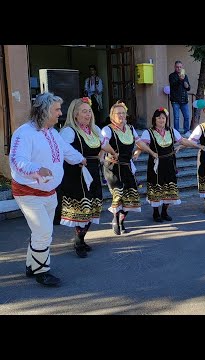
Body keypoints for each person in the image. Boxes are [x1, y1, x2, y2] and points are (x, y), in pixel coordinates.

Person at [9, 92, 87, 287]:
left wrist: (80, 159)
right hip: (28, 192)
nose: (60, 113)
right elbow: (17, 161)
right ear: (44, 111)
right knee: (44, 231)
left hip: (50, 193)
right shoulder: (24, 133)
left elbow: (65, 150)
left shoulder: (52, 132)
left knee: (41, 231)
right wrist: (36, 169)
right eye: (57, 110)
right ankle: (42, 271)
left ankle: (31, 265)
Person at [58, 97, 118, 258]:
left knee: (93, 206)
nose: (88, 114)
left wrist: (112, 153)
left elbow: (103, 145)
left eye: (89, 111)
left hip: (92, 172)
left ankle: (81, 238)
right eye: (84, 111)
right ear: (75, 114)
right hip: (77, 174)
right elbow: (62, 151)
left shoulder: (95, 130)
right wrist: (77, 160)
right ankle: (78, 241)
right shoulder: (69, 131)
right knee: (83, 209)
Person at [135, 107, 205, 222]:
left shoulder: (172, 131)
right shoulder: (148, 132)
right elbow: (141, 145)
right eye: (159, 118)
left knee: (169, 187)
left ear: (166, 119)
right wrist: (137, 152)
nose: (161, 120)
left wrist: (197, 146)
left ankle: (164, 212)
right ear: (154, 119)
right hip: (156, 165)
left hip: (170, 164)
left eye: (163, 118)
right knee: (156, 187)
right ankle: (156, 213)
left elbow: (183, 141)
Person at [101, 101, 158, 235]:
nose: (121, 115)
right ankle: (115, 220)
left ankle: (121, 219)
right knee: (118, 195)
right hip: (112, 167)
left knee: (131, 196)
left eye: (123, 113)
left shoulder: (130, 129)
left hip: (126, 166)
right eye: (118, 113)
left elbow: (139, 143)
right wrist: (101, 157)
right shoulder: (107, 129)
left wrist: (151, 152)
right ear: (112, 116)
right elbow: (102, 144)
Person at [168, 60, 191, 134]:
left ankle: (187, 131)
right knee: (176, 118)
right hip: (175, 100)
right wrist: (180, 80)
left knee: (187, 117)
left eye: (180, 67)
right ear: (175, 67)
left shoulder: (185, 76)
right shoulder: (172, 76)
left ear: (182, 67)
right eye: (177, 67)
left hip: (184, 100)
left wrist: (186, 84)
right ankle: (176, 133)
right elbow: (174, 86)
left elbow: (188, 88)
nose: (179, 68)